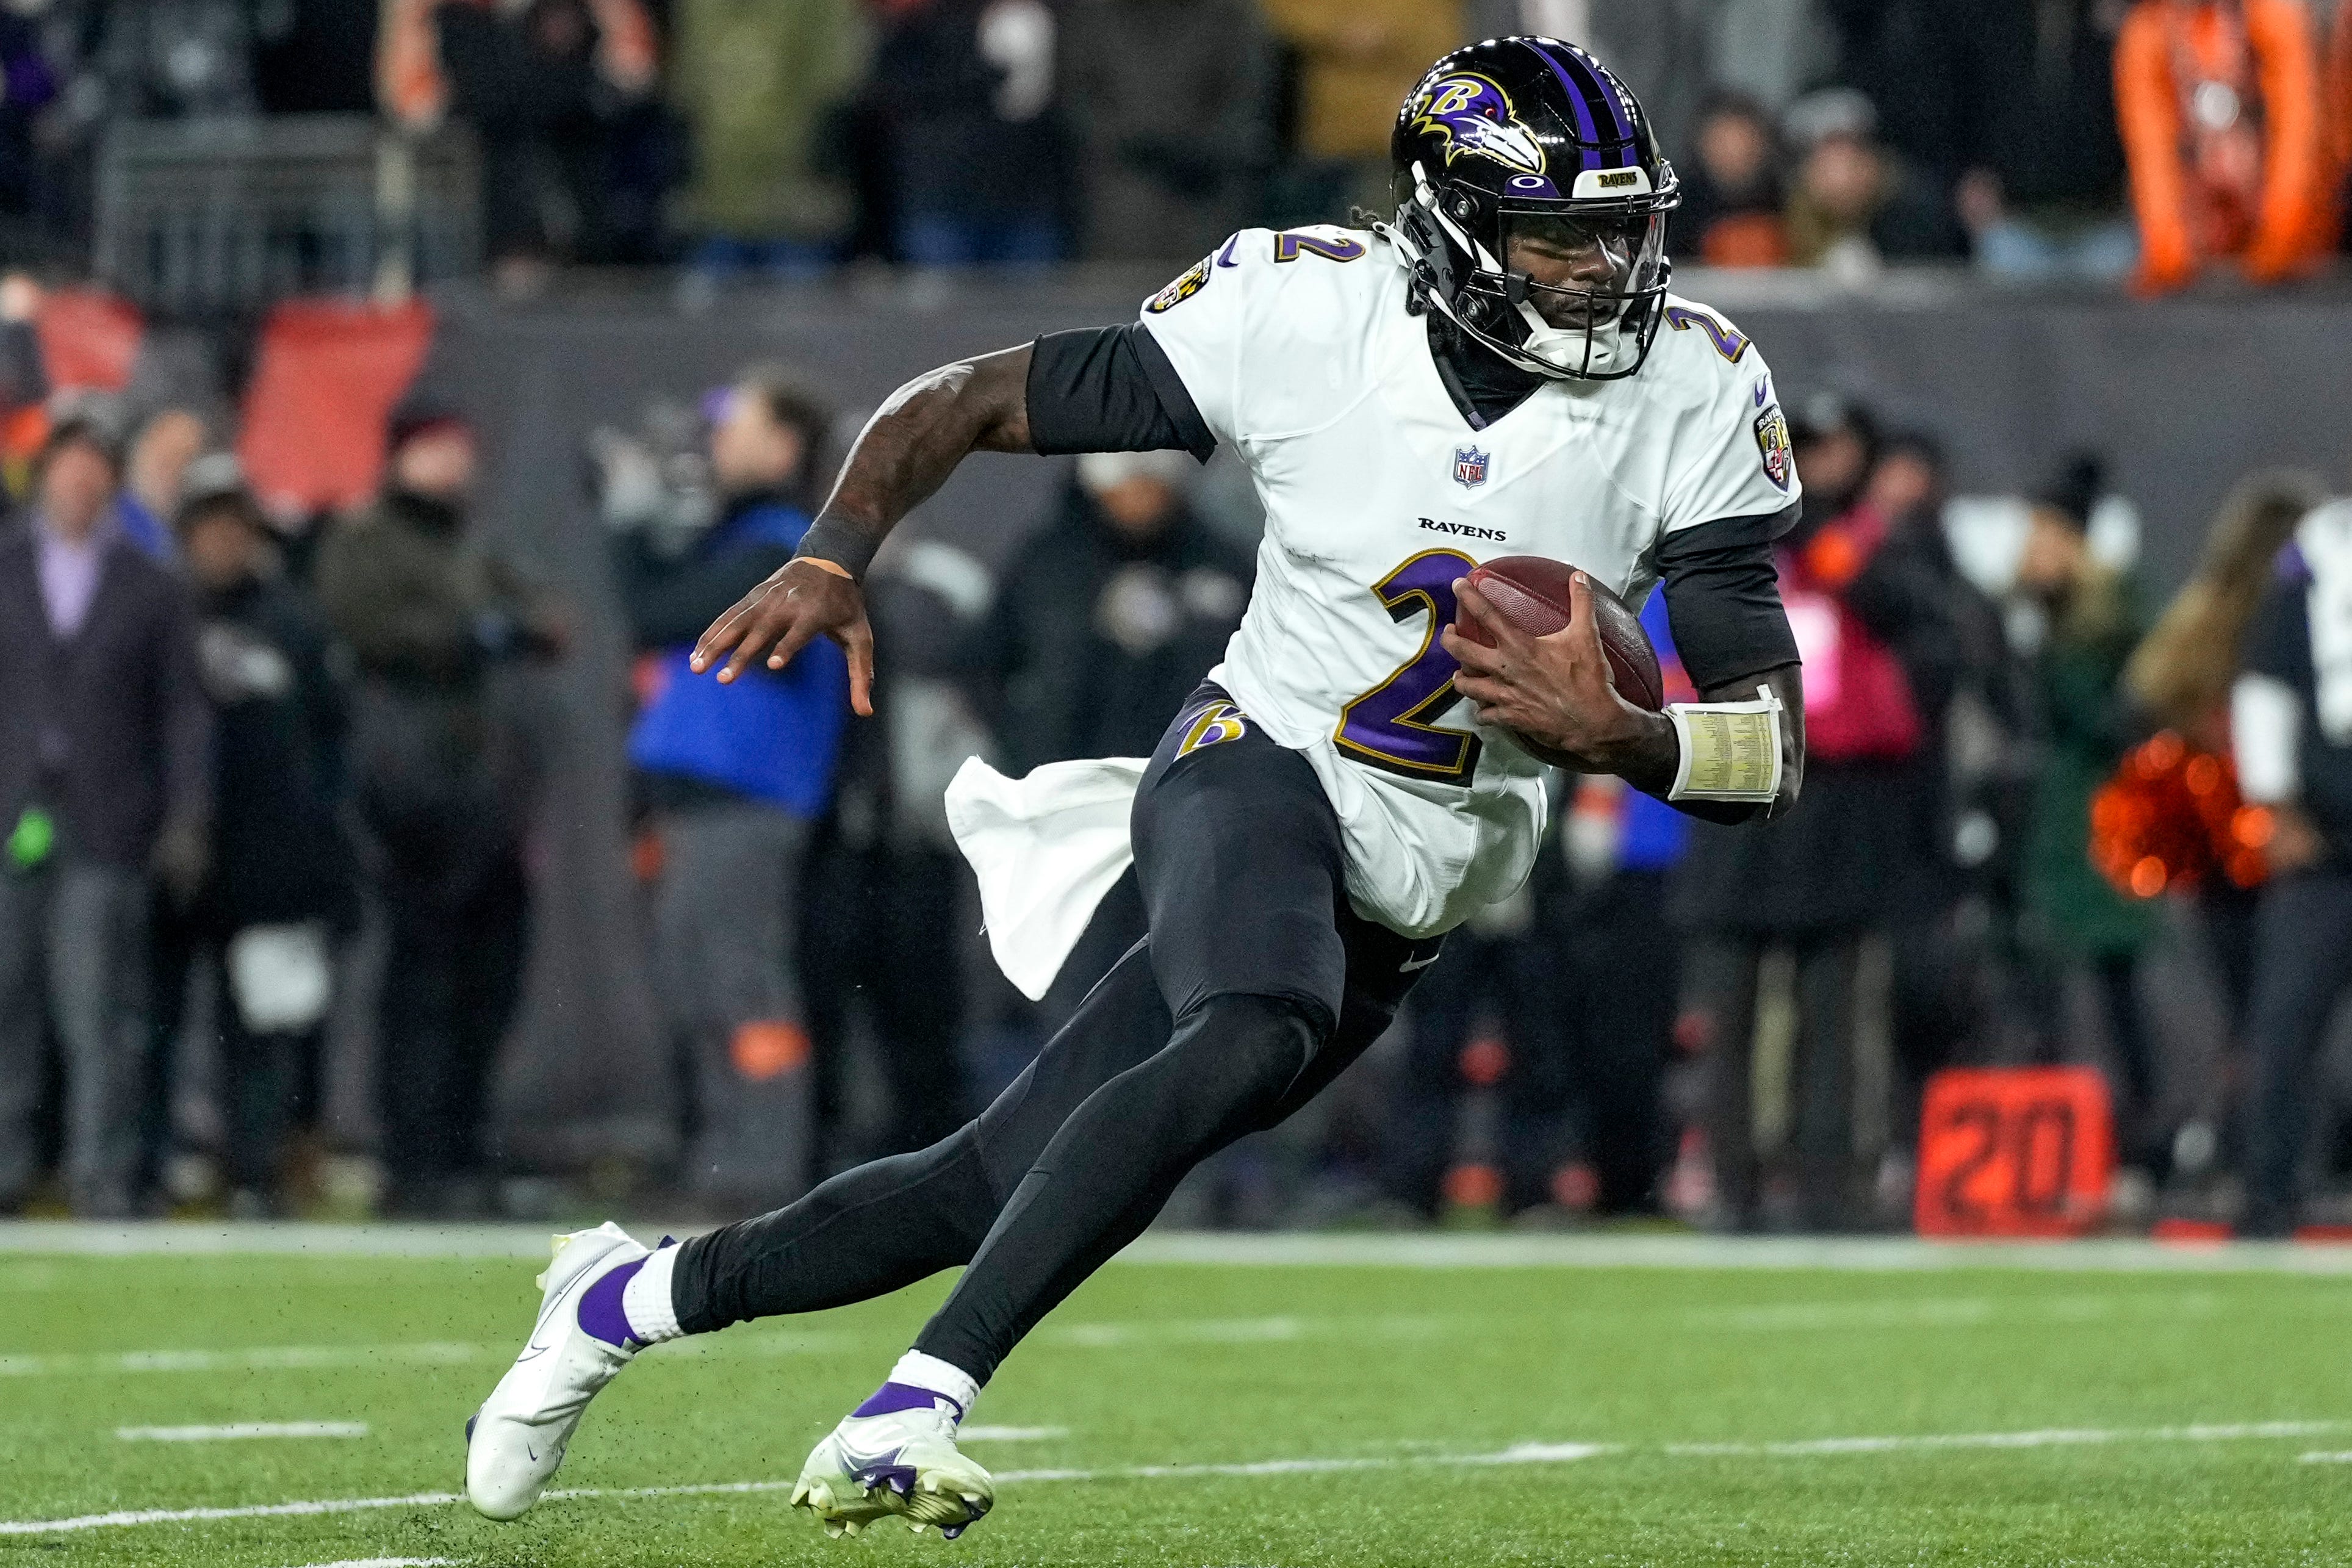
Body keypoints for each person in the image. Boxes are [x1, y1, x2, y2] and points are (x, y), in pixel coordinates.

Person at [462, 37, 1808, 1541]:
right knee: (1247, 1028)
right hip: (1254, 757)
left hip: (1417, 867)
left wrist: (1632, 741)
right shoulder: (1306, 312)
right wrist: (834, 550)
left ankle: (626, 1294)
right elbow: (963, 397)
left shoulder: (1692, 382)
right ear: (1444, 224)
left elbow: (1769, 742)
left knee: (983, 1183)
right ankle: (914, 1402)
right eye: (1556, 233)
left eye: (1620, 230)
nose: (1598, 269)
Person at [1676, 395, 1955, 1232]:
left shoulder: (1887, 543)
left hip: (1844, 798)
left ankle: (1830, 1180)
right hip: (1744, 775)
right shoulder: (1730, 541)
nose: (1817, 462)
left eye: (1832, 447)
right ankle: (1732, 1182)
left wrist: (1831, 546)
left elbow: (1925, 632)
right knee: (1732, 1003)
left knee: (1836, 1002)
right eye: (1802, 445)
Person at [315, 401, 564, 1215]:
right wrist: (478, 631)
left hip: (486, 796)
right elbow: (370, 626)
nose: (455, 464)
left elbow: (548, 620)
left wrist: (500, 627)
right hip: (408, 791)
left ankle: (464, 1148)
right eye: (438, 449)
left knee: (488, 980)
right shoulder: (367, 540)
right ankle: (414, 1158)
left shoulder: (474, 544)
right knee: (419, 981)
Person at [611, 370, 847, 1207]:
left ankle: (764, 1166)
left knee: (743, 988)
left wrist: (629, 524)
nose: (717, 440)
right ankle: (726, 1160)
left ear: (784, 444)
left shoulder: (789, 543)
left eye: (735, 424)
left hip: (746, 803)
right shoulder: (745, 542)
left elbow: (657, 610)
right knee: (697, 987)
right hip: (700, 806)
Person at [0, 418, 210, 1217]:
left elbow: (182, 712)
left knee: (97, 1009)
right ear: (44, 475)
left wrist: (187, 812)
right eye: (69, 469)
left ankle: (101, 1173)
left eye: (96, 472)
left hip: (103, 815)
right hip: (13, 809)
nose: (80, 485)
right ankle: (9, 1167)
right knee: (6, 1000)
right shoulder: (8, 567)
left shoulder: (149, 584)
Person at [148, 455, 353, 1215]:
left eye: (238, 526)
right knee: (151, 1019)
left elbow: (331, 742)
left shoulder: (292, 622)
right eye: (211, 525)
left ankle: (255, 1170)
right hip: (171, 854)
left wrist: (315, 850)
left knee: (264, 1029)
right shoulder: (157, 612)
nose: (225, 541)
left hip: (268, 864)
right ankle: (148, 1165)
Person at [2014, 455, 2164, 1177]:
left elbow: (2111, 718)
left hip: (2105, 817)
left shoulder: (2115, 615)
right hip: (2056, 819)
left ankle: (2142, 1146)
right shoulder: (2030, 614)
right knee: (2042, 986)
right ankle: (2047, 1148)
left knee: (2116, 985)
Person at [2232, 491, 2352, 1234]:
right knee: (2286, 1022)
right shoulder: (2317, 554)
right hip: (2326, 842)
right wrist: (2273, 801)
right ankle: (2270, 1193)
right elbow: (2266, 683)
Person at [2114, 0, 2332, 296]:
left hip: (2281, 241)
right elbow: (2150, 153)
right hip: (2199, 248)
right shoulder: (2148, 32)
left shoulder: (2272, 17)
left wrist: (2282, 231)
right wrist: (2166, 243)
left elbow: (2300, 127)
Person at [1060, 0, 1276, 263]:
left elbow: (1249, 105)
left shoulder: (1232, 16)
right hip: (1117, 191)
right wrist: (1137, 145)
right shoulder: (1093, 14)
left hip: (1207, 193)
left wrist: (1195, 154)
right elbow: (1074, 99)